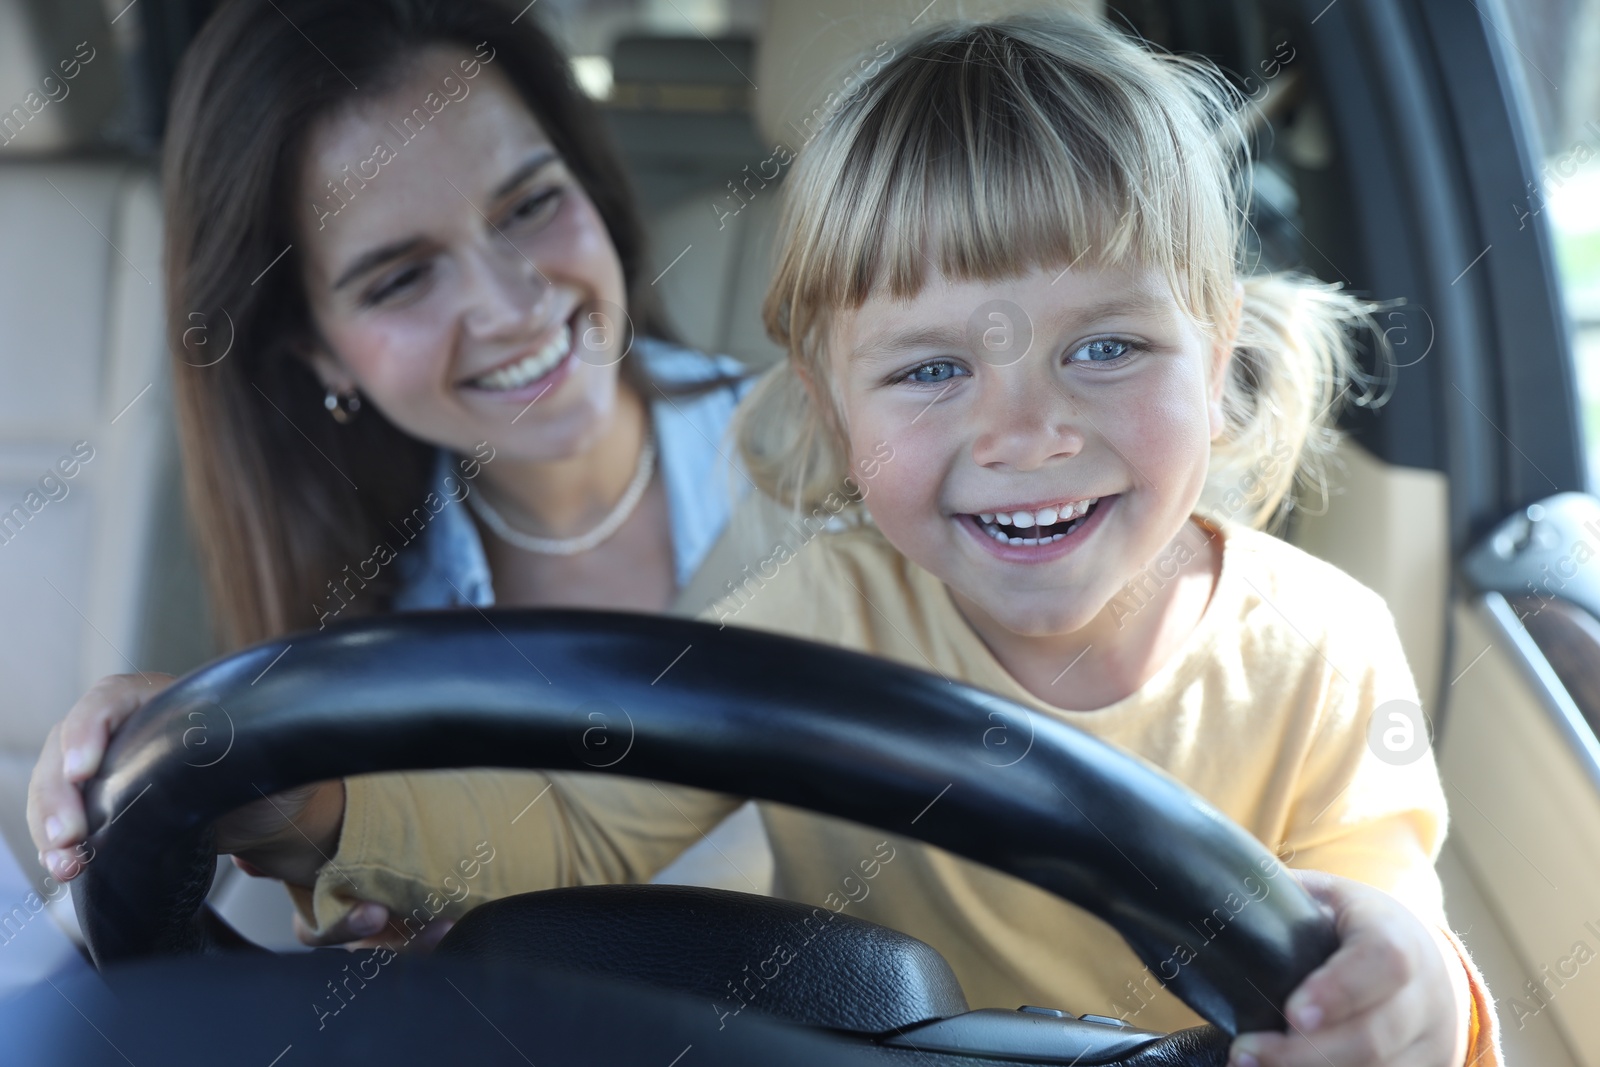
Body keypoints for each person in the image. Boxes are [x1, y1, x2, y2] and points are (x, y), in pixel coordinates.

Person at [36, 12, 1505, 1066]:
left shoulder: (1324, 643)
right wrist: (303, 809)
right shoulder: (808, 605)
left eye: (1107, 346)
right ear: (830, 404)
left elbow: (1381, 899)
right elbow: (578, 818)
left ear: (1222, 342)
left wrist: (1418, 995)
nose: (1026, 430)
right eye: (931, 370)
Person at [25, 0, 761, 948]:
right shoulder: (347, 640)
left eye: (532, 204)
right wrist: (171, 758)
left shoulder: (850, 472)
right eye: (401, 278)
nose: (511, 307)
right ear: (316, 352)